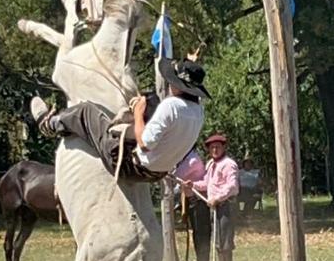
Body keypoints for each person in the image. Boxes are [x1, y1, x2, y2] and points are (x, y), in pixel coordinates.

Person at [30, 56, 208, 181]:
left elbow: (146, 144)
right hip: (158, 174)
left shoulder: (171, 106)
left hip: (130, 167)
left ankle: (49, 124)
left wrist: (138, 113)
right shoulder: (198, 112)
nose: (169, 83)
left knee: (86, 111)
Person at [197, 133, 239, 261]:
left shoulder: (229, 164)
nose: (214, 150)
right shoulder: (210, 164)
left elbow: (232, 186)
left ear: (223, 148)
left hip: (226, 206)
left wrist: (218, 198)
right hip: (214, 207)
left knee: (225, 241)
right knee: (218, 240)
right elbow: (206, 184)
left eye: (217, 147)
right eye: (212, 147)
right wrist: (192, 185)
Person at [176, 147, 210, 261]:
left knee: (201, 238)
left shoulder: (192, 160)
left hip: (199, 202)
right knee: (197, 236)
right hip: (192, 200)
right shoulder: (185, 158)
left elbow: (177, 175)